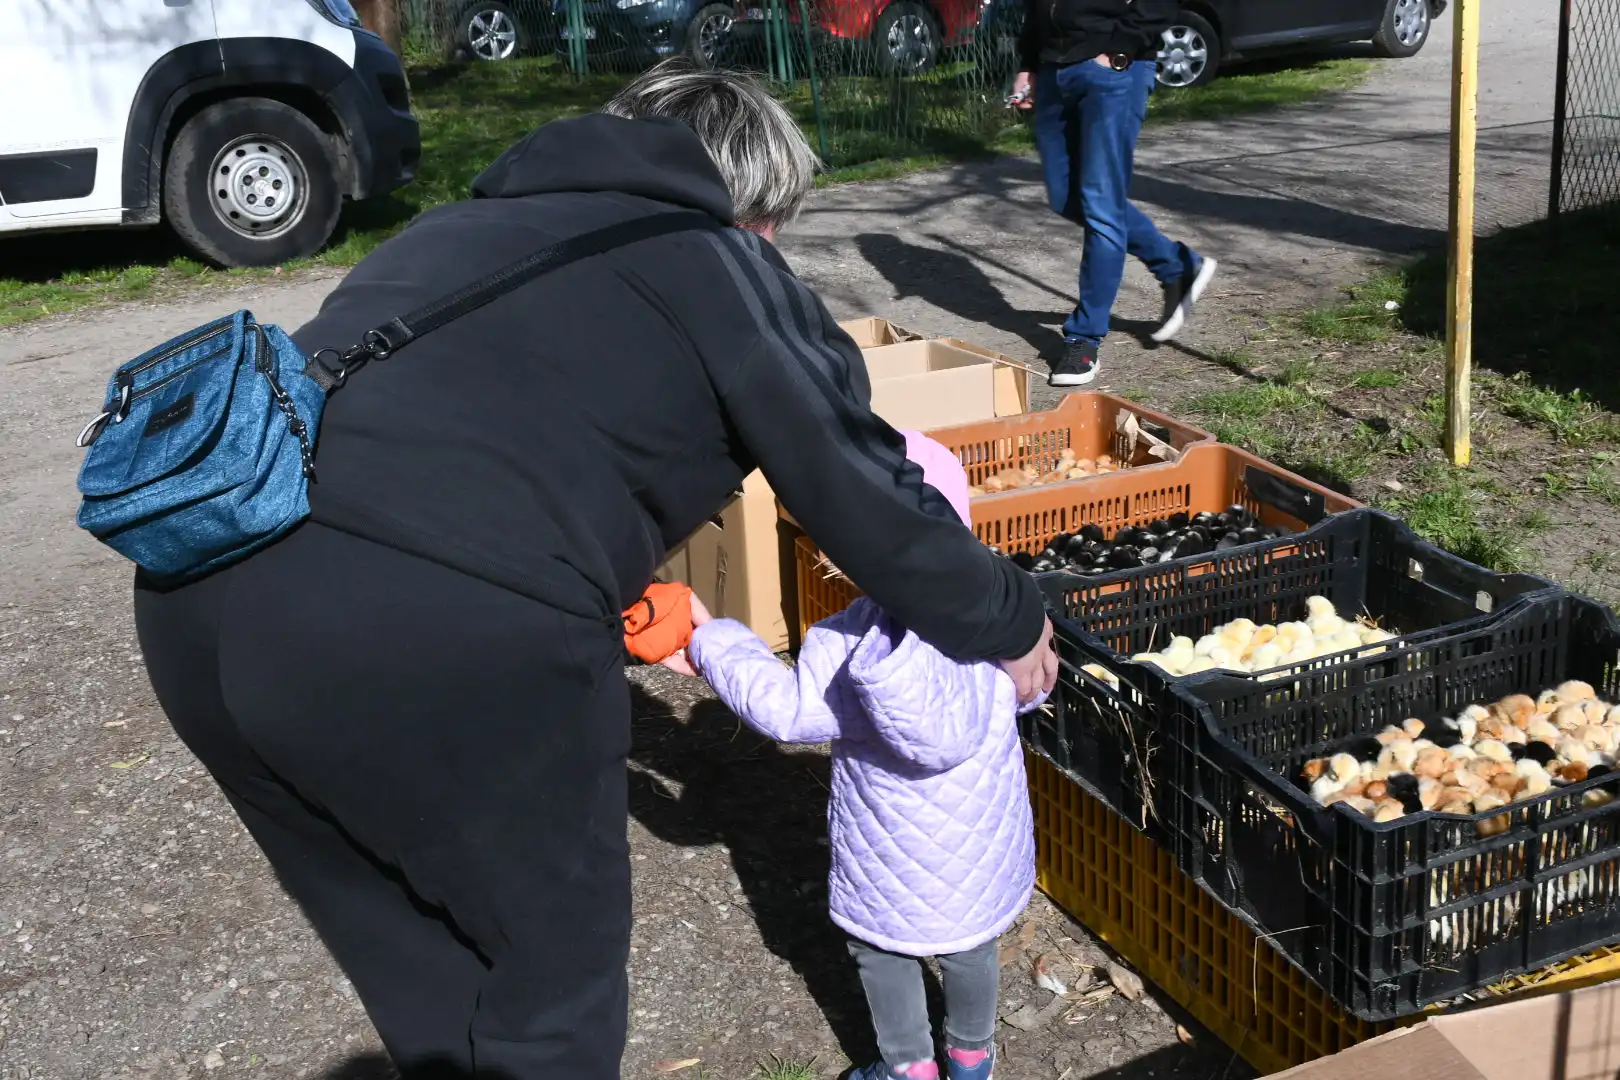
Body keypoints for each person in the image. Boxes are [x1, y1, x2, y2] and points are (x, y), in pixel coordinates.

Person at [130, 59, 1057, 1080]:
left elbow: (481, 430)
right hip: (444, 626)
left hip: (201, 603)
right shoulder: (718, 258)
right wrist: (1012, 621)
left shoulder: (445, 234)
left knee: (422, 971)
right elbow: (865, 487)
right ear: (755, 206)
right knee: (545, 998)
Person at [681, 431, 1042, 1080]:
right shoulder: (1001, 618)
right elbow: (1029, 694)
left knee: (883, 952)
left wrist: (713, 641)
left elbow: (786, 713)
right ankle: (971, 1057)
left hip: (889, 860)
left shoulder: (847, 642)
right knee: (971, 948)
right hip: (979, 850)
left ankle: (909, 1068)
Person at [1012, 0, 1219, 388]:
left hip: (1114, 70)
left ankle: (1084, 338)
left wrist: (1121, 47)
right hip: (1055, 67)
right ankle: (1176, 265)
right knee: (1065, 196)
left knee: (1100, 204)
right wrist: (1029, 61)